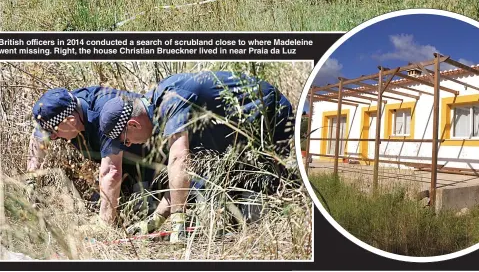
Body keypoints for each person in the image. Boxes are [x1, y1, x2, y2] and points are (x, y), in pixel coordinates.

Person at [98, 71, 294, 241]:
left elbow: (179, 161)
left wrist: (178, 222)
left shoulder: (172, 100)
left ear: (133, 124)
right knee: (232, 209)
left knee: (268, 196)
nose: (129, 145)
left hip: (269, 116)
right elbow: (187, 172)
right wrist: (157, 218)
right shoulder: (158, 107)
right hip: (237, 135)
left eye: (125, 140)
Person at [27, 86, 162, 222]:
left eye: (54, 134)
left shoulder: (108, 116)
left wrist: (104, 228)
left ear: (71, 121)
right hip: (123, 164)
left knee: (140, 215)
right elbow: (37, 137)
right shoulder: (61, 107)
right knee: (93, 206)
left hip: (150, 161)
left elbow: (111, 173)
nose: (53, 138)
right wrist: (31, 179)